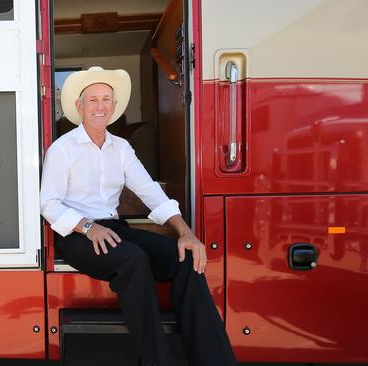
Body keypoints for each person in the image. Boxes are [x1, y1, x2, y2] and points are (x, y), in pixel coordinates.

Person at [40, 66, 238, 366]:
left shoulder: (121, 148)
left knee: (184, 259)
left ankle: (214, 360)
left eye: (106, 99)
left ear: (115, 107)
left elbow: (150, 192)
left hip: (113, 228)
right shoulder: (62, 149)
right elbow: (49, 204)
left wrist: (186, 233)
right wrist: (88, 227)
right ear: (79, 107)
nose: (100, 106)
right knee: (133, 259)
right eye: (92, 100)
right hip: (76, 234)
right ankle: (156, 361)